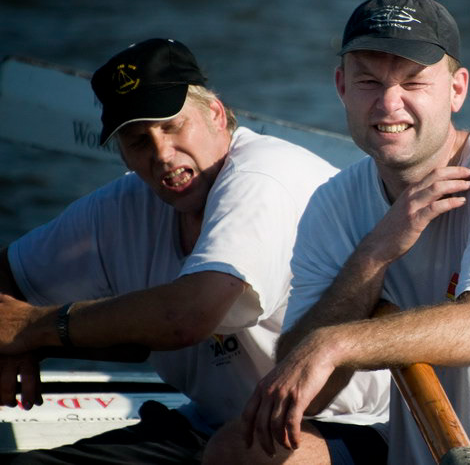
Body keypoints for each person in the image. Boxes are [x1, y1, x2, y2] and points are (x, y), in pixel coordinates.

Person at [233, 0, 470, 464]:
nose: (389, 104)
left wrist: (334, 343)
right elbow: (308, 390)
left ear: (457, 90)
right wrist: (376, 251)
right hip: (420, 452)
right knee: (239, 451)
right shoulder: (332, 202)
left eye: (413, 83)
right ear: (342, 87)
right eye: (368, 81)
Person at [0, 38, 389, 464]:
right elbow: (8, 277)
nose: (162, 154)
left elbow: (188, 315)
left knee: (234, 455)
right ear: (124, 154)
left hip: (355, 426)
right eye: (138, 141)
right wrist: (18, 343)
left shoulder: (264, 178)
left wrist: (37, 328)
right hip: (210, 425)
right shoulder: (121, 206)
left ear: (216, 114)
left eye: (171, 126)